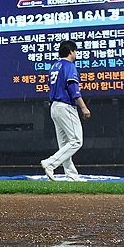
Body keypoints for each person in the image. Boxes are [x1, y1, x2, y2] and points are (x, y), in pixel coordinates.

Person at [41, 39, 90, 182]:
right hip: (65, 106)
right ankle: (50, 163)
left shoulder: (54, 66)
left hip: (54, 106)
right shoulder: (69, 65)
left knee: (64, 144)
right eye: (75, 51)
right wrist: (84, 107)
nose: (76, 54)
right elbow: (73, 89)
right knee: (76, 141)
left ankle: (72, 175)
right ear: (71, 52)